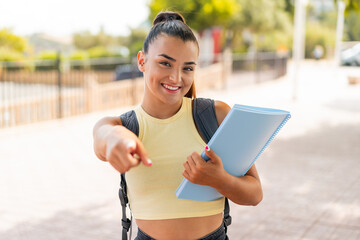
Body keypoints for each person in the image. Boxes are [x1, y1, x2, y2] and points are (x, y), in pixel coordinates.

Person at [93, 11, 263, 240]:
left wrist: (219, 180)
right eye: (165, 63)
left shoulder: (215, 115)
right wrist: (116, 139)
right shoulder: (125, 125)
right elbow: (102, 134)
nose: (176, 78)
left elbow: (254, 194)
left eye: (188, 68)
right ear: (142, 61)